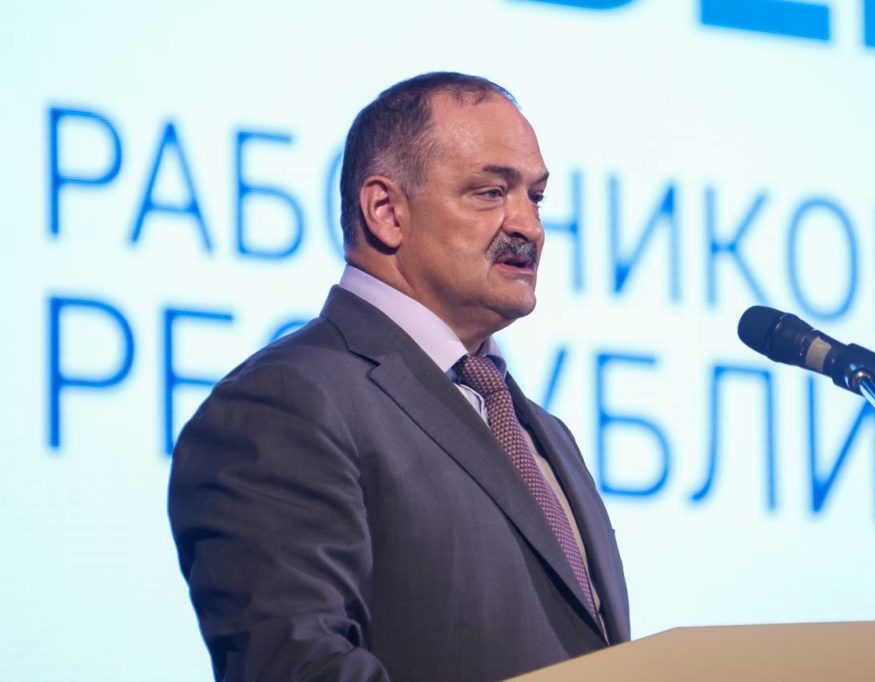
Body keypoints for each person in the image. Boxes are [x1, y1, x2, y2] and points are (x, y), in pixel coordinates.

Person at [168, 72, 630, 682]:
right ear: (386, 211)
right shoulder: (285, 403)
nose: (530, 227)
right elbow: (300, 665)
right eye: (491, 192)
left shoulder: (544, 433)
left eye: (536, 198)